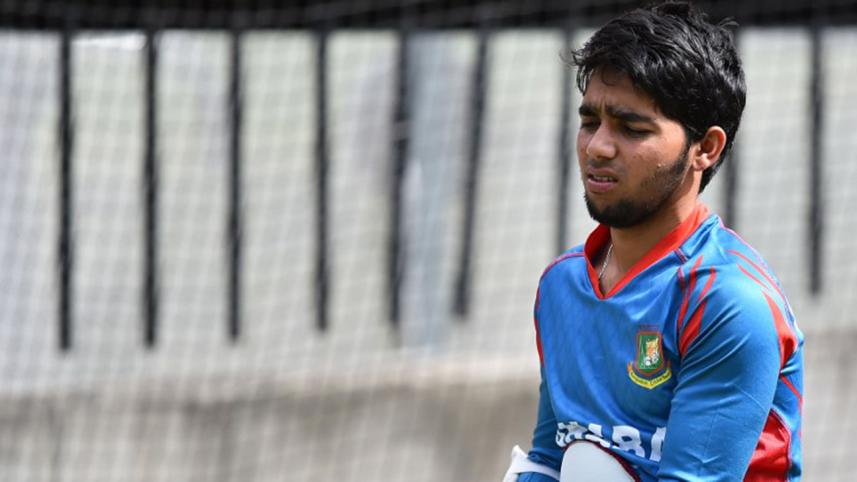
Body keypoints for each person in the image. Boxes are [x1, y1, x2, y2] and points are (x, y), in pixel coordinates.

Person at [506, 2, 804, 481]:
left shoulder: (728, 302)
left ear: (705, 148)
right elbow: (550, 457)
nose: (598, 147)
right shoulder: (562, 284)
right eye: (590, 122)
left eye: (631, 128)